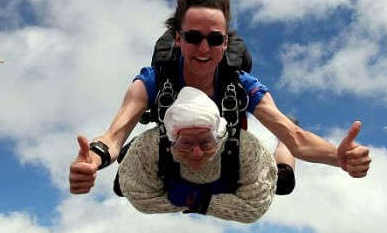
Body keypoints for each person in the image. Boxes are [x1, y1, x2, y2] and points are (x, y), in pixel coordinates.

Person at [69, 0, 370, 197]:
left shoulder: (240, 84)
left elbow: (296, 137)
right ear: (178, 38)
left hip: (222, 147)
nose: (203, 49)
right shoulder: (152, 81)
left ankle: (279, 159)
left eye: (214, 39)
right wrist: (94, 159)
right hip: (178, 146)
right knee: (123, 183)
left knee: (283, 183)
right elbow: (115, 134)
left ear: (226, 43)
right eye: (193, 37)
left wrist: (337, 157)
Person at [116, 86, 277, 223]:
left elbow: (255, 206)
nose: (196, 153)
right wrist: (182, 202)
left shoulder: (246, 147)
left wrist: (201, 202)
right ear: (172, 140)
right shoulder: (149, 147)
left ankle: (283, 144)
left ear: (218, 137)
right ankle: (128, 149)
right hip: (158, 169)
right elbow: (140, 199)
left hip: (229, 176)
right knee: (121, 188)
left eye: (205, 142)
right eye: (186, 143)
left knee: (284, 182)